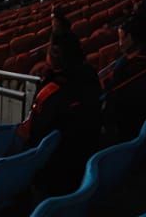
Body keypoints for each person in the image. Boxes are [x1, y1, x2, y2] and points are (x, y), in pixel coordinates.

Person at [17, 31, 101, 196]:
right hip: (85, 163)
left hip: (55, 173)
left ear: (54, 56)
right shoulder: (91, 76)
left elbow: (30, 134)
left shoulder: (50, 92)